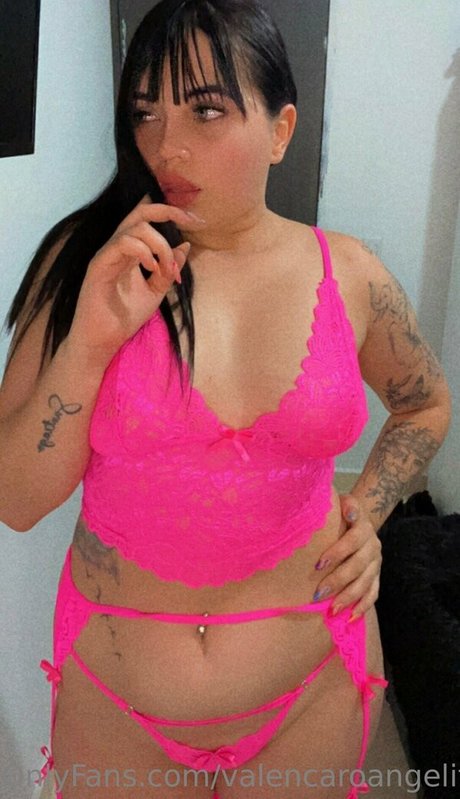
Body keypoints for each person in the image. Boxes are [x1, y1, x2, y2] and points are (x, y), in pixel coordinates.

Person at [0, 1, 451, 797]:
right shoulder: (89, 263)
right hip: (118, 705)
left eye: (205, 110)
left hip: (309, 687)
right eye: (146, 112)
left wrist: (368, 513)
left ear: (281, 130)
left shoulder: (350, 275)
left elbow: (425, 404)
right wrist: (91, 343)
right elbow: (16, 498)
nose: (167, 145)